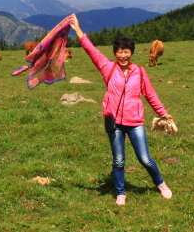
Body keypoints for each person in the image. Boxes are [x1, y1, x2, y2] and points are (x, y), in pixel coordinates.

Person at [70, 16, 173, 205]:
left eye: (126, 52)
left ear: (131, 53)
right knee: (118, 160)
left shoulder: (140, 72)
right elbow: (91, 51)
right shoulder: (107, 67)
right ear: (115, 53)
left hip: (135, 122)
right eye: (119, 52)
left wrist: (163, 113)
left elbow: (150, 95)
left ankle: (160, 183)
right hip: (115, 122)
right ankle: (120, 192)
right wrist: (78, 31)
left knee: (145, 158)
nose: (123, 55)